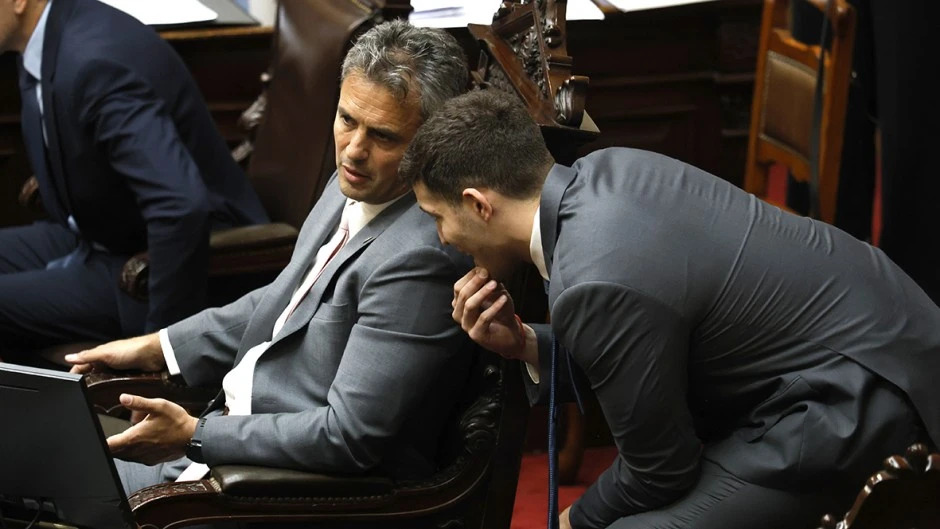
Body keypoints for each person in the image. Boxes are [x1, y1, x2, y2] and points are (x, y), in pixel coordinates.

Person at [401, 89, 940, 529]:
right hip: (894, 335)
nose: (443, 239)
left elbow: (660, 471)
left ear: (478, 204)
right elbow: (645, 335)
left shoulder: (592, 278)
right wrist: (524, 343)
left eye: (436, 217)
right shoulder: (609, 169)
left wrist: (572, 521)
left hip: (855, 408)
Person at [66, 20, 473, 493]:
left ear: (431, 141)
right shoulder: (353, 184)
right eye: (347, 120)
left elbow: (348, 437)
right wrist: (159, 346)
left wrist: (195, 435)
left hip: (272, 490)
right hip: (226, 448)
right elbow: (290, 301)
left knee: (35, 473)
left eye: (383, 136)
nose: (354, 150)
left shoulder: (422, 257)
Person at [0, 0, 269, 362]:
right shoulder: (45, 37)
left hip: (160, 267)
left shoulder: (94, 63)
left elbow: (179, 206)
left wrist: (160, 349)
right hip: (100, 229)